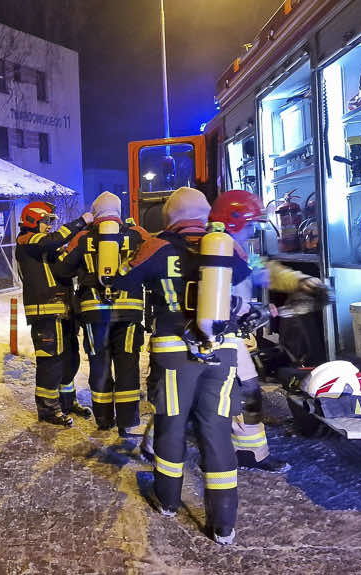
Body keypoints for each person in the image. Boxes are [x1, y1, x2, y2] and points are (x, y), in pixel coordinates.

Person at [113, 187, 249, 545]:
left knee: (171, 424)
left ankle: (169, 500)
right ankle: (224, 524)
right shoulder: (225, 245)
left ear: (169, 215)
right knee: (216, 430)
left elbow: (121, 279)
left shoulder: (158, 246)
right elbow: (246, 276)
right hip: (224, 350)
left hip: (175, 351)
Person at [209, 189, 328, 473]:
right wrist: (245, 310)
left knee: (246, 391)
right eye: (249, 224)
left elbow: (265, 271)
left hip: (228, 337)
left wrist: (303, 282)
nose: (252, 231)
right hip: (208, 338)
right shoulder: (213, 249)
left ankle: (250, 453)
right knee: (191, 397)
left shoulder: (235, 248)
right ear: (234, 221)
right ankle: (158, 445)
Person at [53, 192, 148, 434]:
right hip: (129, 311)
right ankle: (128, 422)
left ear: (95, 212)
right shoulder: (136, 236)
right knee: (127, 363)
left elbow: (63, 270)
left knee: (100, 364)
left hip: (95, 313)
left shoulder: (84, 238)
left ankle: (104, 419)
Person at [15, 201, 94, 426]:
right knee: (51, 360)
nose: (49, 226)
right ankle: (48, 409)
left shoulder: (44, 245)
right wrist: (80, 223)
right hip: (45, 312)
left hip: (63, 309)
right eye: (45, 221)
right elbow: (55, 239)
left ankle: (67, 402)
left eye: (50, 222)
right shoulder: (27, 240)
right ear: (32, 220)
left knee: (70, 358)